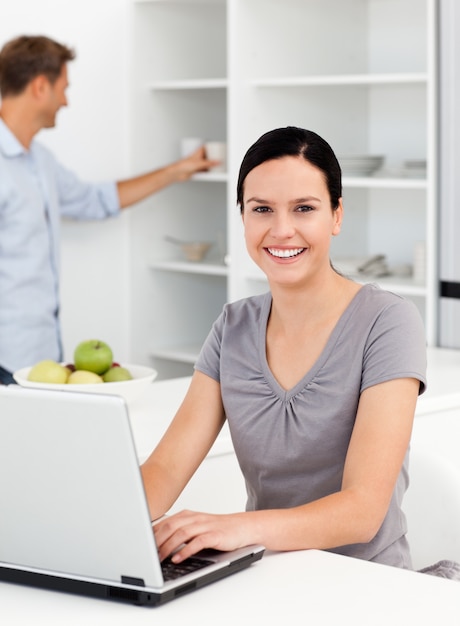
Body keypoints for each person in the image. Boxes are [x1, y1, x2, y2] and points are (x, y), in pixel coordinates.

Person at [141, 126, 427, 570]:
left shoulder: (387, 322)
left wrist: (235, 526)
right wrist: (100, 519)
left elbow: (362, 512)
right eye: (262, 209)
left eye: (304, 208)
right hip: (266, 575)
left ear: (336, 215)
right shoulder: (232, 326)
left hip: (366, 586)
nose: (281, 230)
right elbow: (164, 470)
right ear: (243, 217)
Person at [0, 35, 218, 384]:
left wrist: (177, 171)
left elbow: (96, 200)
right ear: (40, 86)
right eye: (62, 88)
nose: (65, 101)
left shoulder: (40, 162)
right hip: (6, 358)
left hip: (40, 358)